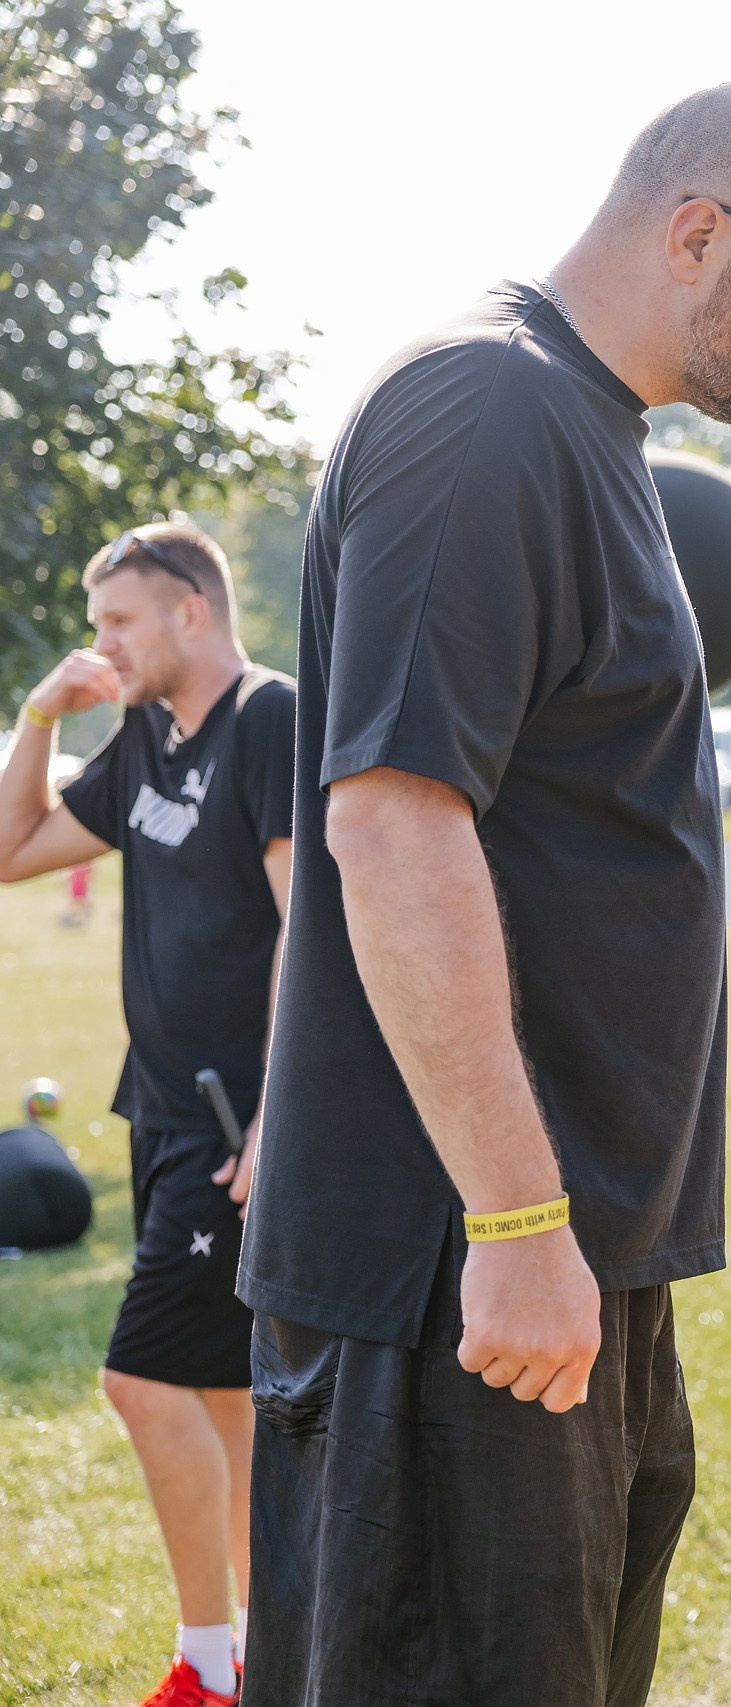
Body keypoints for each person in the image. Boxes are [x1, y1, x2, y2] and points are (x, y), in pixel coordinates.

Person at [237, 84, 731, 1707]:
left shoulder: (593, 436)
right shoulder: (484, 412)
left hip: (567, 1263)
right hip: (452, 1276)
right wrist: (517, 1220)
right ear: (697, 232)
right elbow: (391, 823)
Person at [0, 522, 294, 1707]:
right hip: (161, 1109)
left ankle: (211, 1664)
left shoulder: (267, 719)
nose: (102, 643)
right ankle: (276, 1654)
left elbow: (311, 928)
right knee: (222, 1393)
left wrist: (285, 1110)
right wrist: (37, 721)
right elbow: (9, 850)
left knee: (139, 1378)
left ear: (190, 610)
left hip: (238, 1128)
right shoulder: (145, 740)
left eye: (119, 620)